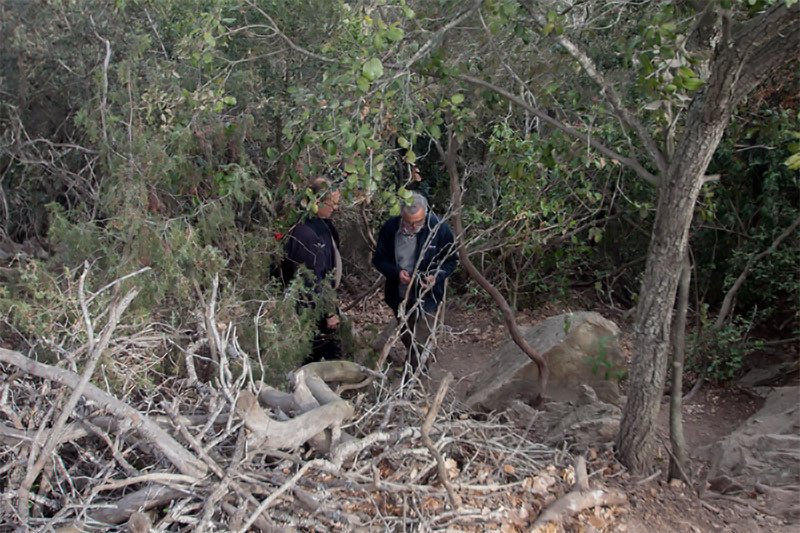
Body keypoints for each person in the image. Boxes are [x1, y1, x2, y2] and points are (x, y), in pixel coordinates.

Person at [372, 191, 458, 370]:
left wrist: (436, 275)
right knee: (406, 334)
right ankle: (415, 367)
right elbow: (378, 260)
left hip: (427, 295)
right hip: (400, 295)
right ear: (401, 215)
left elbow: (451, 260)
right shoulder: (391, 228)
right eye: (408, 222)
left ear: (425, 214)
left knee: (420, 339)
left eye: (417, 222)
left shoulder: (438, 228)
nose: (412, 226)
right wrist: (397, 273)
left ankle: (413, 376)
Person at [281, 177, 343, 363]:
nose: (335, 208)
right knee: (315, 356)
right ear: (316, 202)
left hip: (320, 305)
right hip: (311, 311)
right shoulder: (306, 234)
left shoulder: (322, 224)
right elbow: (312, 280)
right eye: (332, 204)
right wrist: (329, 312)